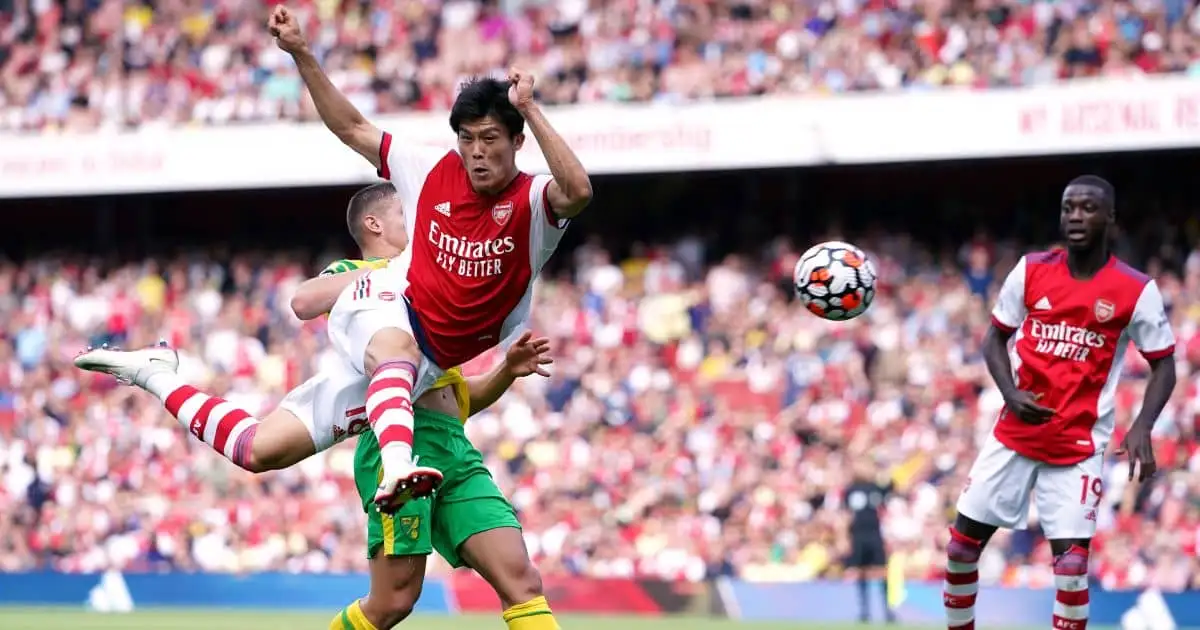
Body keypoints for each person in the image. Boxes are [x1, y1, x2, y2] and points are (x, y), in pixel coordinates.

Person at [269, 4, 593, 515]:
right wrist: (302, 53)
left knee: (262, 451)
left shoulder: (533, 202)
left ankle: (156, 375)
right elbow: (352, 128)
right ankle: (397, 463)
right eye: (467, 139)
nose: (477, 152)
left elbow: (577, 191)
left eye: (490, 139)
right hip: (393, 313)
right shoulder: (428, 169)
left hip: (434, 360)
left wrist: (529, 106)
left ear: (516, 141)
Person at [944, 175, 1177, 630]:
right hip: (1014, 435)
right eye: (1069, 207)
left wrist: (1143, 425)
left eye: (1088, 208)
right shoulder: (1032, 270)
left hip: (1079, 445)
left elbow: (1164, 365)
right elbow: (995, 338)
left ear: (1109, 218)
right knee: (960, 550)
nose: (1075, 216)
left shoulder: (1135, 290)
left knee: (1071, 570)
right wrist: (1010, 393)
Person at [843, 461, 895, 624]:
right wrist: (845, 537)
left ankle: (886, 609)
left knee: (882, 570)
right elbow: (846, 515)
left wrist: (881, 471)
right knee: (861, 571)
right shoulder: (850, 489)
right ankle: (864, 611)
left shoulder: (876, 487)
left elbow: (891, 486)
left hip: (874, 534)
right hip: (858, 535)